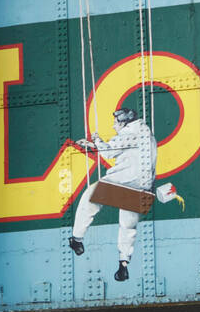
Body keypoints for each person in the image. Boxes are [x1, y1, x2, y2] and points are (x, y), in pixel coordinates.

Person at [68, 106, 180, 283]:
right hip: (143, 190)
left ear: (124, 122)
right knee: (128, 227)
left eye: (115, 123)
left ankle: (76, 238)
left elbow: (110, 152)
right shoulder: (147, 135)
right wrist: (92, 145)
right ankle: (123, 265)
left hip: (122, 183)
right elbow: (126, 151)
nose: (113, 127)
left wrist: (96, 139)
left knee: (89, 199)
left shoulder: (130, 132)